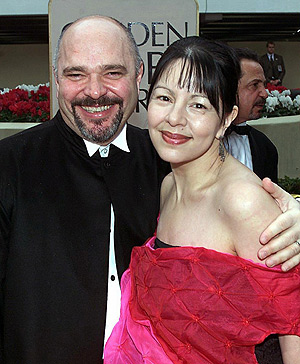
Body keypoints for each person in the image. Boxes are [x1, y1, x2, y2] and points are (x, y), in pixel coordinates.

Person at [0, 16, 299, 364]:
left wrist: (290, 219)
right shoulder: (9, 167)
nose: (95, 91)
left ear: (138, 75)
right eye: (76, 74)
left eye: (113, 72)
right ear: (56, 78)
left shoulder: (166, 159)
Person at [104, 36, 300, 364]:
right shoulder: (167, 187)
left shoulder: (241, 200)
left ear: (226, 118)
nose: (175, 118)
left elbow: (293, 319)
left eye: (198, 104)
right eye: (164, 97)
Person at [225, 47, 278, 183]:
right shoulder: (198, 144)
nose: (265, 94)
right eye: (255, 85)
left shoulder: (266, 148)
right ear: (228, 88)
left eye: (264, 84)